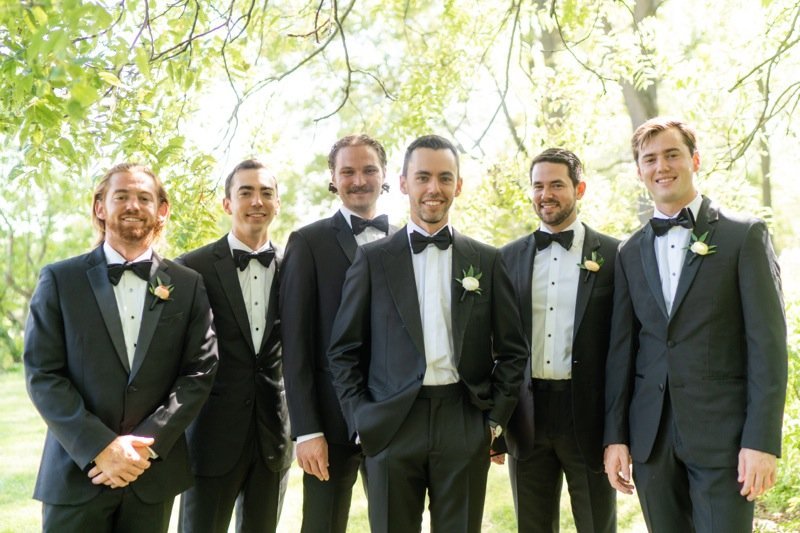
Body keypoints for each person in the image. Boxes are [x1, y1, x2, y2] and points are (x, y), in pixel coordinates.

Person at [327, 134, 528, 532]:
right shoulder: (372, 260)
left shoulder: (488, 260)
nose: (433, 189)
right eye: (423, 177)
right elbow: (343, 350)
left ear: (458, 185)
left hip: (463, 420)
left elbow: (512, 351)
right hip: (391, 423)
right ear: (403, 183)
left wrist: (492, 422)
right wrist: (362, 418)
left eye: (444, 178)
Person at [603, 116, 788, 532]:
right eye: (650, 159)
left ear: (695, 160)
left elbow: (768, 347)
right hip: (652, 441)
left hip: (724, 439)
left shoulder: (744, 237)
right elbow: (622, 351)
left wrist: (760, 441)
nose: (661, 167)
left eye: (672, 154)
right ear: (639, 172)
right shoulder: (629, 251)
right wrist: (616, 438)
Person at [23, 163, 218, 533]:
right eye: (122, 196)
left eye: (145, 197)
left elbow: (199, 372)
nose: (133, 205)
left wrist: (145, 445)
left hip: (152, 475)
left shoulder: (188, 285)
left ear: (162, 210)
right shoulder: (60, 279)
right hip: (77, 472)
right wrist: (101, 447)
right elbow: (43, 374)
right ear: (100, 206)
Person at [499, 148, 618, 532]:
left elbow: (623, 348)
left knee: (597, 525)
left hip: (588, 415)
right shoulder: (506, 258)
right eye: (538, 186)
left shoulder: (615, 256)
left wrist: (620, 433)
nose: (545, 194)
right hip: (526, 416)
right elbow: (496, 344)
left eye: (556, 185)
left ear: (579, 188)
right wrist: (495, 420)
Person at [279, 134, 393, 532]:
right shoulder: (307, 242)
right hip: (328, 421)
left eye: (368, 170)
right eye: (348, 171)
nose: (359, 180)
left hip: (395, 419)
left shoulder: (406, 241)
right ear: (333, 178)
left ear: (385, 175)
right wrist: (307, 429)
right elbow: (294, 346)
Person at [178, 159, 293, 532]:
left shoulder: (295, 267)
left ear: (277, 204)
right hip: (210, 438)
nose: (256, 201)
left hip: (273, 437)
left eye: (266, 193)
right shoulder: (191, 269)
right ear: (228, 203)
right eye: (246, 192)